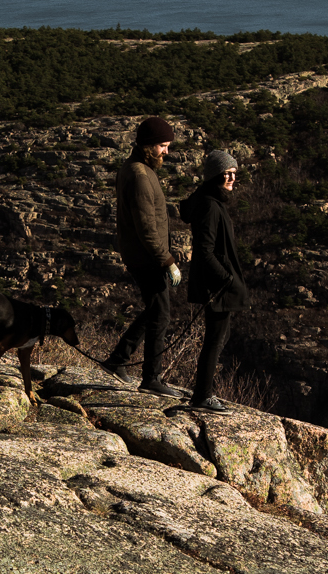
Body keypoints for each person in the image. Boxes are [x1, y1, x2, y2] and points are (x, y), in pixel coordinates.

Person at [100, 117, 186, 397]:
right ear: (148, 145)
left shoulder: (137, 169)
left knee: (153, 310)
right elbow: (147, 227)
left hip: (142, 254)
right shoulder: (139, 175)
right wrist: (168, 260)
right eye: (163, 145)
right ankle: (151, 378)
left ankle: (118, 359)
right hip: (147, 257)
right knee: (160, 315)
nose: (167, 152)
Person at [179, 148, 249, 413]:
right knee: (215, 340)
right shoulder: (210, 205)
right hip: (217, 286)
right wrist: (227, 279)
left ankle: (203, 394)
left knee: (217, 338)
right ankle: (203, 396)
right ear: (214, 176)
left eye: (234, 174)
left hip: (217, 284)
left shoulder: (211, 201)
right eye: (226, 174)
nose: (231, 178)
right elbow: (205, 250)